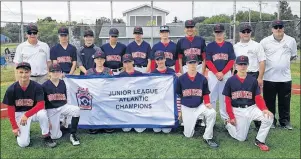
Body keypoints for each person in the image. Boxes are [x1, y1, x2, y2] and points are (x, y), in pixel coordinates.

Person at [222, 55, 273, 151]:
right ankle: (228, 124)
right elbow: (227, 101)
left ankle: (259, 140)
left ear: (248, 65)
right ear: (236, 66)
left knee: (269, 117)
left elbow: (258, 97)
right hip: (238, 110)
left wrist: (264, 109)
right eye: (240, 64)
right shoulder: (230, 81)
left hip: (251, 108)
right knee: (241, 138)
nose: (242, 67)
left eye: (244, 64)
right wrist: (231, 116)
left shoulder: (253, 80)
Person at [2, 62, 56, 148]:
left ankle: (46, 135)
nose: (24, 75)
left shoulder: (37, 86)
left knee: (42, 113)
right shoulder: (11, 89)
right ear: (17, 72)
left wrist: (27, 115)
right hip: (19, 114)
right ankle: (23, 131)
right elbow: (11, 109)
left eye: (26, 72)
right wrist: (14, 127)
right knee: (23, 144)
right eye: (21, 72)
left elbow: (41, 104)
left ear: (30, 72)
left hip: (33, 113)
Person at [260, 20, 297, 129]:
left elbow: (293, 56)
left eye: (280, 27)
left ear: (283, 28)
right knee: (269, 102)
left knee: (285, 102)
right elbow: (261, 58)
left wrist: (281, 64)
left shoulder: (291, 40)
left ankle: (285, 122)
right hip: (268, 77)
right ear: (272, 29)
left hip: (285, 77)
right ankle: (270, 122)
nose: (278, 29)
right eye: (276, 27)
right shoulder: (265, 41)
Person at [176, 54, 218, 148]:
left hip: (199, 106)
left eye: (194, 62)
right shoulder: (181, 79)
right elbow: (178, 96)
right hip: (186, 107)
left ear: (197, 63)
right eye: (190, 62)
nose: (192, 64)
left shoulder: (202, 78)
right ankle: (193, 123)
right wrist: (179, 111)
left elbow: (205, 93)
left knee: (212, 113)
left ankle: (208, 137)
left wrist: (207, 102)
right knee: (188, 135)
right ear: (186, 64)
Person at [234, 24, 266, 130]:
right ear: (240, 33)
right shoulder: (235, 47)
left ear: (251, 33)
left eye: (248, 31)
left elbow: (262, 62)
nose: (246, 33)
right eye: (244, 31)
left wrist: (260, 77)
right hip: (239, 75)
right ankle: (238, 121)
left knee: (256, 98)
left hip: (253, 74)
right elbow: (233, 64)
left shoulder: (257, 45)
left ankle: (258, 123)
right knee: (239, 98)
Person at [42, 64, 80, 146]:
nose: (55, 73)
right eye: (53, 71)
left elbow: (68, 99)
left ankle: (73, 134)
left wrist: (68, 115)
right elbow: (42, 104)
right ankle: (61, 125)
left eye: (58, 71)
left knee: (76, 110)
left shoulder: (64, 83)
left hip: (63, 106)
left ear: (61, 73)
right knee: (55, 136)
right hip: (51, 110)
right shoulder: (44, 85)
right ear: (49, 73)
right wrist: (47, 120)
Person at [205, 24, 236, 122]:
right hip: (213, 74)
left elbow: (231, 60)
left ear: (224, 33)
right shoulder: (210, 46)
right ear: (214, 33)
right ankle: (211, 120)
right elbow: (208, 61)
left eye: (220, 32)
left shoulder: (228, 45)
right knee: (211, 97)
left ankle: (226, 119)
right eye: (217, 32)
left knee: (224, 97)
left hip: (225, 74)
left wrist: (222, 72)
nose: (219, 34)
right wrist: (216, 73)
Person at [151, 50, 181, 133]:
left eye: (161, 59)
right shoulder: (152, 73)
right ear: (155, 61)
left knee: (167, 130)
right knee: (156, 129)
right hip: (158, 101)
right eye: (157, 59)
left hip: (169, 100)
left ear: (165, 59)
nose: (160, 61)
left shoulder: (172, 72)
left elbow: (176, 90)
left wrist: (179, 77)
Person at [85, 51, 114, 134]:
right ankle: (94, 125)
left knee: (107, 107)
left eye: (101, 59)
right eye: (98, 59)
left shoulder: (109, 71)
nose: (99, 61)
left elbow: (113, 84)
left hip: (105, 96)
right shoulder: (89, 72)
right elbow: (85, 85)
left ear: (104, 60)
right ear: (94, 60)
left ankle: (106, 125)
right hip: (93, 96)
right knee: (93, 109)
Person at [119, 54, 144, 132]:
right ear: (123, 63)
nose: (127, 63)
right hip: (126, 102)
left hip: (138, 102)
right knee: (126, 129)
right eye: (125, 62)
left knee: (139, 130)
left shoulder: (140, 74)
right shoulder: (120, 75)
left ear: (133, 62)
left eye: (129, 61)